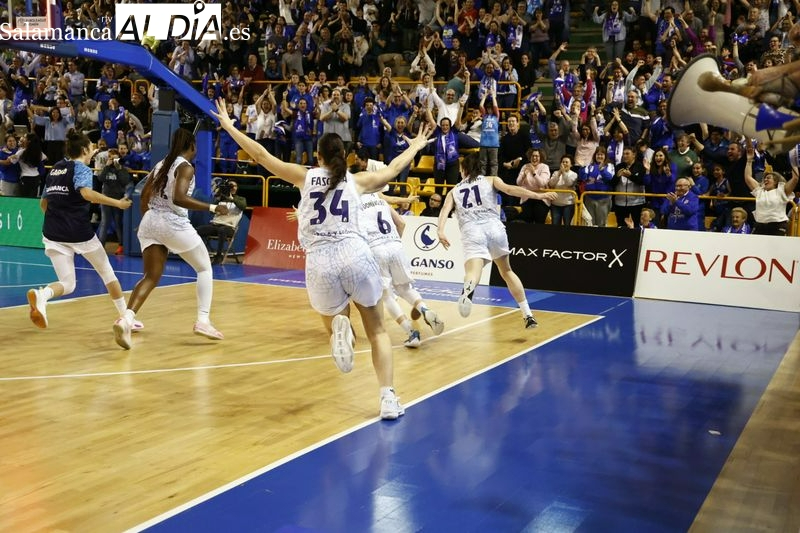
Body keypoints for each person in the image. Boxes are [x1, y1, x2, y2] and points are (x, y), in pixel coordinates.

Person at [212, 98, 432, 420]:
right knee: (378, 332)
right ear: (345, 156)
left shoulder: (304, 176)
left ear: (317, 157)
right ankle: (387, 398)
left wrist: (230, 126)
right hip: (355, 254)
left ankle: (341, 330)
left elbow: (260, 155)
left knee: (334, 320)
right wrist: (416, 146)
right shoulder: (357, 180)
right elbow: (394, 169)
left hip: (319, 262)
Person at [112, 128, 229, 350]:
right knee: (204, 268)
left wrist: (148, 219)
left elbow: (144, 194)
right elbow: (179, 198)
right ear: (192, 146)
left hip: (150, 221)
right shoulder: (186, 167)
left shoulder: (161, 164)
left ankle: (126, 319)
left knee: (150, 276)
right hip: (172, 223)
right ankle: (203, 320)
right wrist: (213, 207)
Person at [26, 129, 137, 331]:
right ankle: (126, 318)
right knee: (107, 273)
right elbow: (86, 194)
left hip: (52, 232)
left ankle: (43, 295)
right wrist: (118, 203)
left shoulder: (56, 168)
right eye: (92, 147)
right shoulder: (82, 169)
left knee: (68, 284)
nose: (93, 150)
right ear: (85, 150)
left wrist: (58, 218)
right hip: (78, 233)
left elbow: (44, 203)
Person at [436, 152, 557, 328]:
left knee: (473, 272)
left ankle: (468, 291)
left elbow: (444, 210)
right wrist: (539, 196)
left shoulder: (454, 190)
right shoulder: (491, 179)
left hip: (472, 231)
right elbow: (511, 190)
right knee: (507, 271)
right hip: (494, 228)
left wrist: (440, 231)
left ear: (464, 169)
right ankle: (528, 315)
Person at [360, 191, 445, 348]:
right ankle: (425, 310)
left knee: (386, 296)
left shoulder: (354, 201)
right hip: (395, 244)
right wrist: (395, 243)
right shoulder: (379, 199)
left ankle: (411, 333)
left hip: (376, 248)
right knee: (405, 289)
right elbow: (401, 223)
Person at [743, 143, 798, 236]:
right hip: (759, 225)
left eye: (768, 178)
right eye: (765, 178)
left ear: (776, 181)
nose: (765, 180)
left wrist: (793, 159)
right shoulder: (760, 191)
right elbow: (748, 178)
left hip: (777, 226)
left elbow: (795, 178)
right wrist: (749, 161)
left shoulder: (782, 190)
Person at [196, 179, 247, 265]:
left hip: (229, 228)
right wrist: (218, 198)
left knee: (222, 230)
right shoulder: (221, 199)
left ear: (237, 188)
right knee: (197, 230)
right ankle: (198, 254)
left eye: (234, 186)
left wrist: (232, 199)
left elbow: (243, 206)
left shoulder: (240, 199)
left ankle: (219, 256)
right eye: (230, 186)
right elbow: (211, 212)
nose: (232, 188)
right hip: (215, 225)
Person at [96, 149, 131, 255]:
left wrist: (119, 168)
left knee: (118, 223)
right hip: (106, 199)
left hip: (118, 200)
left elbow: (125, 181)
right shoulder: (105, 168)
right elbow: (100, 178)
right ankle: (101, 246)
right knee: (104, 223)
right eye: (111, 157)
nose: (113, 160)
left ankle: (121, 245)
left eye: (115, 158)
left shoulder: (122, 169)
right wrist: (107, 166)